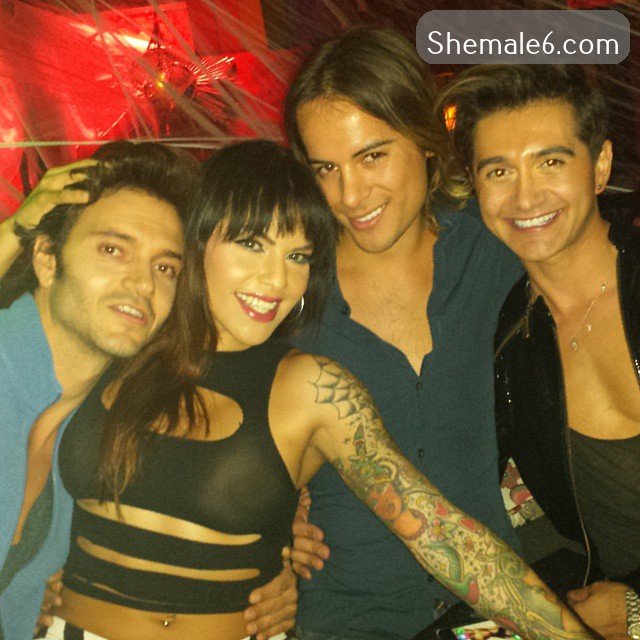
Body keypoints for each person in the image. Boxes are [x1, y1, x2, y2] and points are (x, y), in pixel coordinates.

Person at [43, 139, 593, 640]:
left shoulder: (313, 386)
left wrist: (572, 637)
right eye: (251, 244)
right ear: (197, 237)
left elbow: (444, 536)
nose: (276, 280)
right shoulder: (121, 340)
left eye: (297, 256)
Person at [282, 27, 524, 639]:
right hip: (346, 619)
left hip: (499, 612)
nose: (349, 195)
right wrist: (269, 527)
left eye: (372, 156)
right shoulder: (287, 293)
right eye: (326, 168)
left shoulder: (496, 249)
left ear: (425, 139)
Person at [0, 143, 295, 640]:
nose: (142, 284)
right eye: (112, 250)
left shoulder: (89, 423)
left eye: (165, 268)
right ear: (47, 259)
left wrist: (281, 555)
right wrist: (12, 230)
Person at [439, 64, 640, 640]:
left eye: (551, 162)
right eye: (499, 171)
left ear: (600, 165)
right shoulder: (512, 341)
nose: (525, 196)